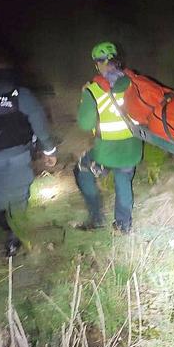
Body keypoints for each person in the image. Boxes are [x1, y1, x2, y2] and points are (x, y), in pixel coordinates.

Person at [0, 50, 57, 256]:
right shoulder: (20, 94)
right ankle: (16, 238)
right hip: (16, 157)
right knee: (18, 199)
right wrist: (49, 150)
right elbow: (39, 123)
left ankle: (7, 228)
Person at [74, 42, 143, 234]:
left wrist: (83, 97)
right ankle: (123, 225)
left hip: (105, 153)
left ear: (98, 64)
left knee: (82, 169)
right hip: (132, 149)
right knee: (123, 180)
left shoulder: (93, 90)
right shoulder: (134, 83)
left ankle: (96, 217)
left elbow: (85, 124)